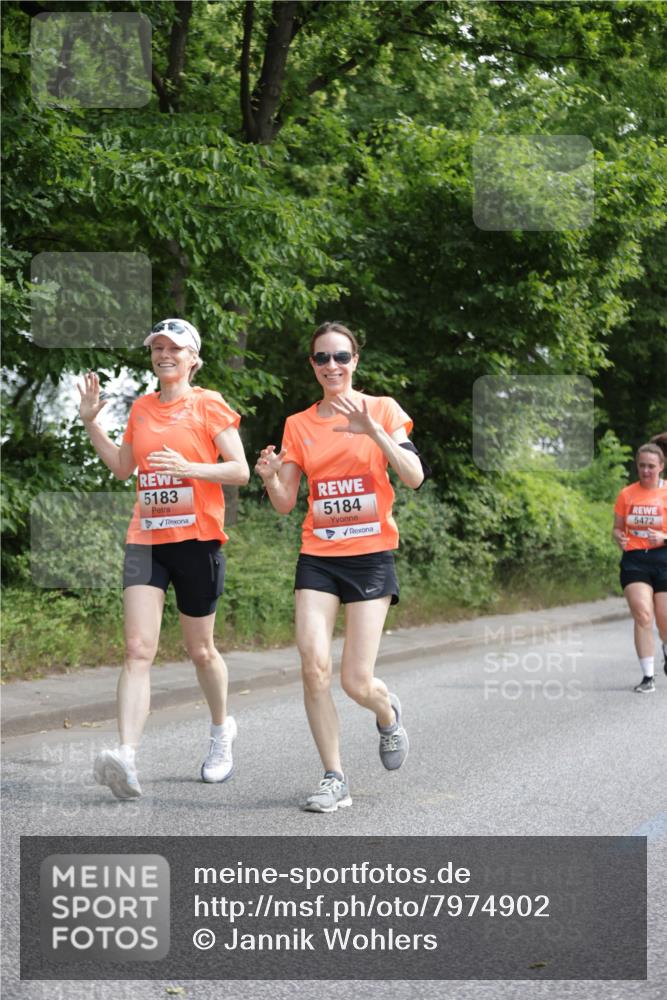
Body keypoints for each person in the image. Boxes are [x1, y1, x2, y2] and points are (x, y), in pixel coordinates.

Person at [255, 321, 425, 812]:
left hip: (370, 558)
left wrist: (373, 430)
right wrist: (269, 478)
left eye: (341, 357)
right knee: (313, 665)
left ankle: (386, 710)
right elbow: (287, 502)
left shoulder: (384, 409)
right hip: (319, 558)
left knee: (355, 681)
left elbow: (413, 477)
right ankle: (335, 777)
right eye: (322, 358)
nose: (332, 366)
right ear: (312, 365)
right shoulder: (298, 424)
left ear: (356, 361)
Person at [78, 319, 249, 798]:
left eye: (174, 348)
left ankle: (220, 733)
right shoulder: (142, 407)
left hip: (197, 541)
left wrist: (190, 467)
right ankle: (126, 759)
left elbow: (239, 470)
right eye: (157, 348)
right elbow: (121, 467)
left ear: (193, 358)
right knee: (137, 649)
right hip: (146, 538)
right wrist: (92, 421)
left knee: (200, 651)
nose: (164, 354)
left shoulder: (209, 404)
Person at [612, 442, 667, 692]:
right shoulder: (627, 494)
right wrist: (618, 537)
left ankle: (665, 646)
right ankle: (648, 677)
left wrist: (664, 538)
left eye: (651, 466)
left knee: (665, 621)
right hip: (635, 560)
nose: (646, 471)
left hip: (664, 558)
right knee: (643, 614)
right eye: (642, 465)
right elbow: (617, 527)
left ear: (661, 467)